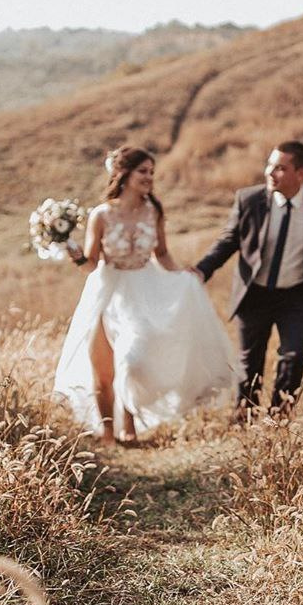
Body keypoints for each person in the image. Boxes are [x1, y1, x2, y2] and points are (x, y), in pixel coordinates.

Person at [55, 146, 239, 444]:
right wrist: (74, 254)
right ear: (123, 174)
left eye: (151, 172)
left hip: (144, 288)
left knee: (132, 358)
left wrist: (182, 277)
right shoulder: (100, 215)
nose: (149, 177)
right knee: (102, 367)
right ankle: (107, 433)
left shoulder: (154, 211)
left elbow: (162, 253)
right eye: (143, 171)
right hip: (108, 289)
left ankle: (130, 424)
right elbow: (91, 264)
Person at [192, 140, 303, 416]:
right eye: (269, 165)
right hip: (255, 293)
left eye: (279, 168)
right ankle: (245, 417)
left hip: (297, 295)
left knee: (294, 356)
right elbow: (228, 241)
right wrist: (202, 270)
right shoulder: (249, 200)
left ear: (300, 173)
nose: (269, 173)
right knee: (250, 360)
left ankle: (280, 417)